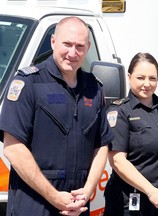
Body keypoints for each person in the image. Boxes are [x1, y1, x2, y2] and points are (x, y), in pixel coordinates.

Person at [0, 17, 114, 216]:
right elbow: (13, 148)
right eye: (67, 44)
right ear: (53, 41)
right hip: (34, 204)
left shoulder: (94, 88)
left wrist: (87, 191)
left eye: (79, 46)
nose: (72, 53)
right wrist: (54, 197)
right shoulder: (29, 84)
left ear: (88, 47)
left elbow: (102, 144)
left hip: (78, 206)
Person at [104, 52, 158, 216]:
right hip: (130, 203)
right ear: (129, 77)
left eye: (152, 78)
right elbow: (117, 159)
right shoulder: (120, 111)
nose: (147, 84)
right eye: (140, 77)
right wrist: (151, 191)